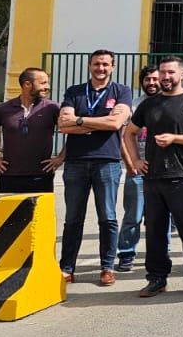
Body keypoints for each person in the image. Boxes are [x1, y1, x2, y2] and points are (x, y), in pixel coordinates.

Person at [123, 57, 183, 299]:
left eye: (170, 73)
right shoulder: (149, 104)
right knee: (154, 231)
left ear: (181, 75)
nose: (165, 77)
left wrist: (175, 138)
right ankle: (156, 279)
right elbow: (129, 132)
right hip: (152, 178)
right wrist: (135, 161)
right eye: (162, 72)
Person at [55, 50, 133, 283]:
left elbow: (116, 122)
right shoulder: (75, 91)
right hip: (76, 162)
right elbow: (63, 125)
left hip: (107, 161)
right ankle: (67, 268)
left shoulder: (122, 91)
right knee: (73, 218)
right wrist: (100, 122)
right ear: (90, 65)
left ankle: (107, 268)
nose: (101, 68)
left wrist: (80, 120)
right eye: (97, 64)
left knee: (107, 217)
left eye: (105, 64)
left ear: (113, 67)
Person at [0, 67, 61, 193]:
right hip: (9, 175)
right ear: (27, 84)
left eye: (47, 82)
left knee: (39, 213)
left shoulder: (52, 108)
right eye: (43, 83)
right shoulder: (3, 109)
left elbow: (73, 132)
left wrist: (60, 158)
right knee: (8, 213)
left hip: (41, 176)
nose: (47, 87)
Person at [114, 65, 160, 272]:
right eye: (147, 79)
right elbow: (124, 137)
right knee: (133, 215)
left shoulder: (170, 103)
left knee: (160, 217)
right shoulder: (133, 105)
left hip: (163, 171)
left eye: (154, 79)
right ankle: (126, 253)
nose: (151, 83)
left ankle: (159, 253)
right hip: (138, 170)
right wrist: (131, 164)